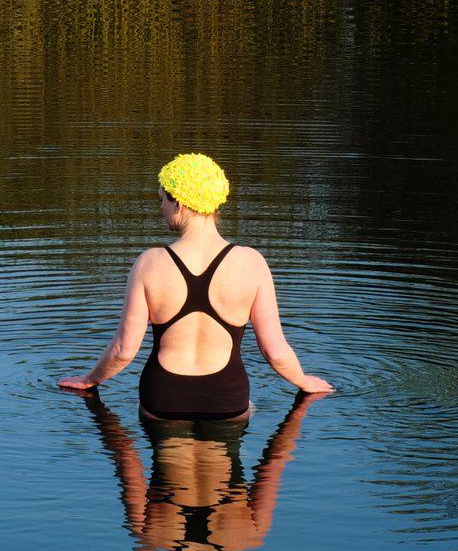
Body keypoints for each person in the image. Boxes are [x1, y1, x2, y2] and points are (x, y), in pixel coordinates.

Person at [58, 152, 332, 418]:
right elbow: (274, 351)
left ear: (179, 204)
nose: (161, 207)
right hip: (227, 399)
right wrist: (303, 381)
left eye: (162, 199)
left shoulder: (149, 263)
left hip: (163, 398)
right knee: (234, 448)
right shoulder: (252, 263)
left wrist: (89, 380)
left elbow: (123, 351)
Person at [79, 390, 318, 551]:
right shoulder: (148, 538)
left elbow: (275, 459)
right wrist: (94, 406)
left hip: (226, 408)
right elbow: (125, 454)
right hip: (166, 410)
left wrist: (301, 408)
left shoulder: (249, 538)